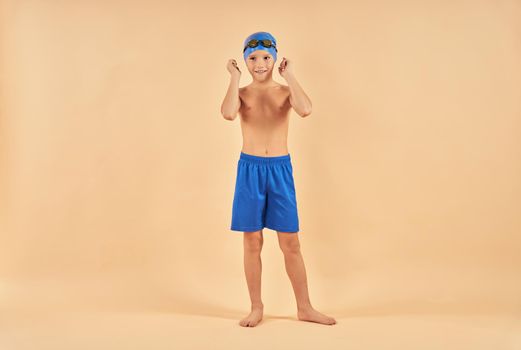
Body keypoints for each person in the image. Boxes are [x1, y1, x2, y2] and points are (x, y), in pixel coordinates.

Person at [221, 31, 337, 327]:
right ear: (245, 61)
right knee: (252, 241)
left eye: (265, 58)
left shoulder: (285, 92)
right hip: (250, 170)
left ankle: (305, 307)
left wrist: (292, 76)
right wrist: (233, 79)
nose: (259, 64)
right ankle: (256, 307)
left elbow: (306, 109)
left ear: (274, 59)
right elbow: (227, 113)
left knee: (291, 242)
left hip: (279, 170)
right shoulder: (243, 93)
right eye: (252, 59)